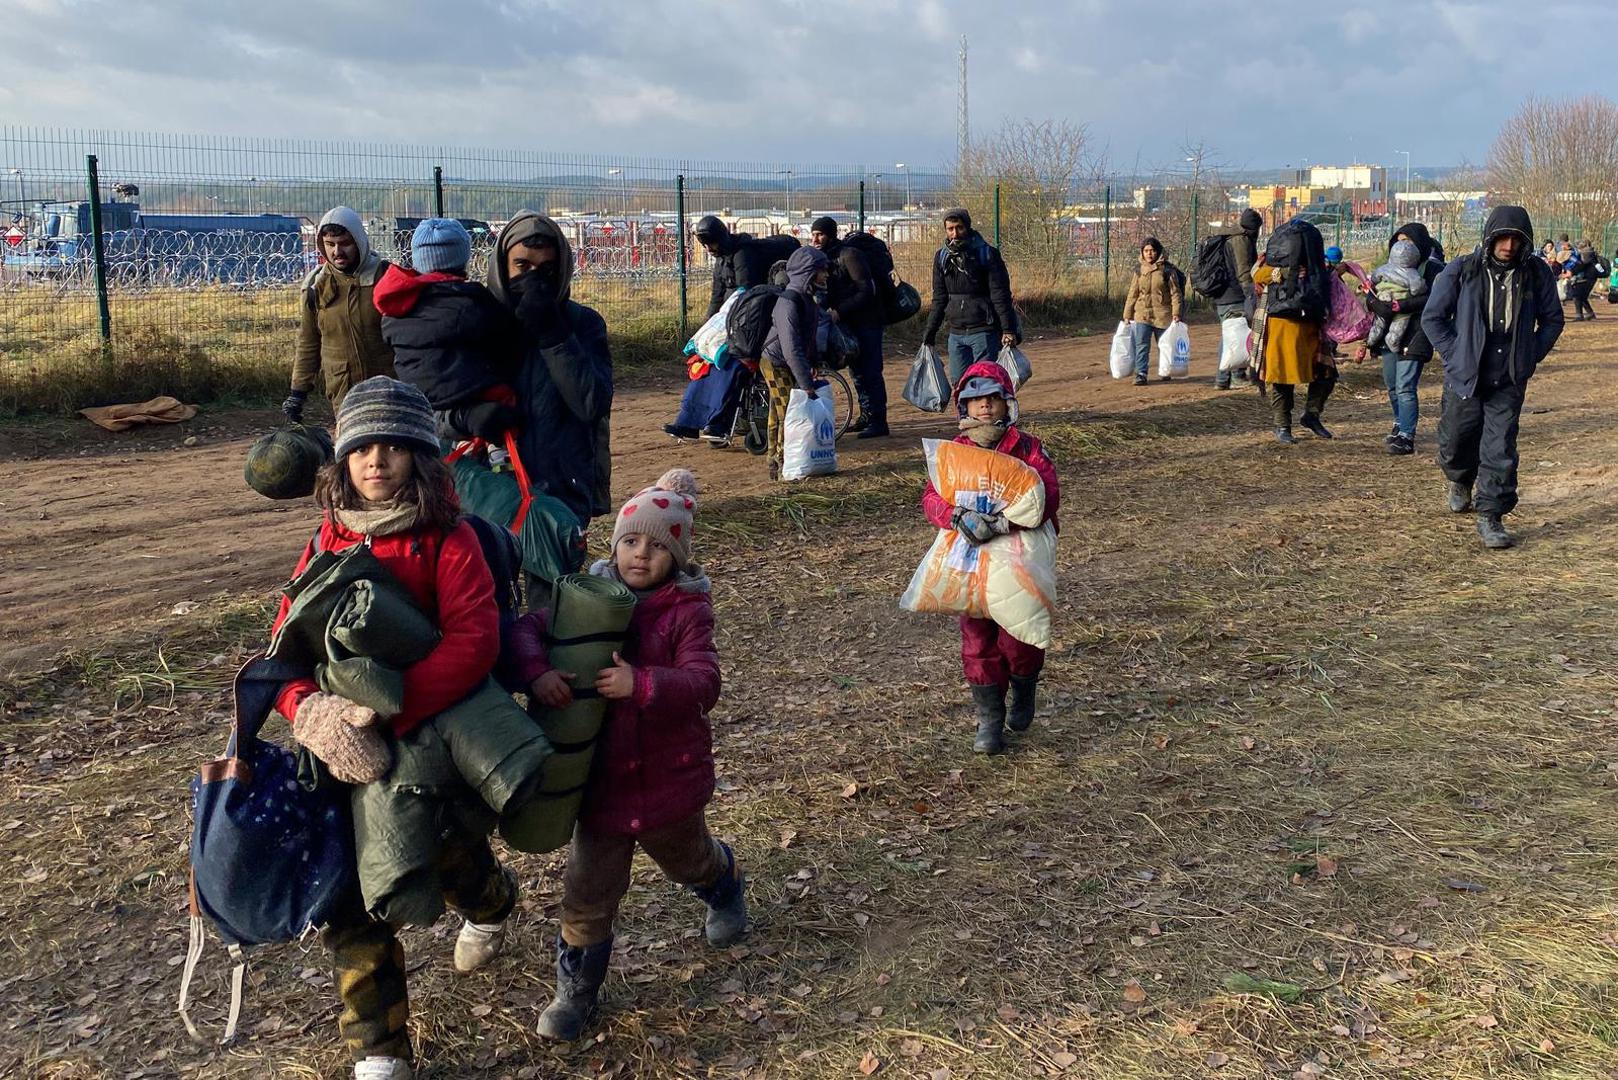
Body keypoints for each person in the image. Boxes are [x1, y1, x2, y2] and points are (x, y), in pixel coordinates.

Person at [275, 377, 523, 1080]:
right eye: (361, 449)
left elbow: (474, 642)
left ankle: (492, 901)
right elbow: (285, 641)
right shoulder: (326, 539)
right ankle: (379, 1051)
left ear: (421, 457)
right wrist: (310, 712)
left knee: (446, 860)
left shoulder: (448, 539)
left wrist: (393, 713)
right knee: (351, 891)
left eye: (393, 447)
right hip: (339, 747)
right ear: (342, 462)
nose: (376, 461)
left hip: (424, 741)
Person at [511, 467, 744, 1041]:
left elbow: (703, 682)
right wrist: (538, 674)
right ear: (613, 545)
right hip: (600, 784)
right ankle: (576, 993)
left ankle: (723, 881)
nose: (641, 555)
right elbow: (524, 631)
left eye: (657, 546)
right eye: (630, 541)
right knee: (588, 891)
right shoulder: (580, 599)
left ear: (679, 556)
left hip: (668, 779)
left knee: (687, 860)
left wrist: (642, 685)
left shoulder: (687, 611)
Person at [921, 362, 1059, 754]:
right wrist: (954, 516)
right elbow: (932, 496)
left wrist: (1004, 524)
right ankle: (990, 719)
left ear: (1006, 403)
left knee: (1019, 634)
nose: (984, 407)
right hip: (970, 556)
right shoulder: (953, 453)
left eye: (992, 399)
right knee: (977, 638)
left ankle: (1024, 686)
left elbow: (1047, 497)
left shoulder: (1028, 449)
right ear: (963, 406)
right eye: (976, 399)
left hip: (1018, 556)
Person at [1422, 205, 1563, 549]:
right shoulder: (1462, 270)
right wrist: (1456, 355)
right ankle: (1459, 479)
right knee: (1455, 441)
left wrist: (1529, 356)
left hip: (1510, 375)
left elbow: (1552, 320)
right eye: (1503, 237)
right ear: (1490, 237)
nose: (1509, 246)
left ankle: (1491, 516)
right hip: (1466, 374)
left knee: (1499, 448)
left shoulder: (1536, 273)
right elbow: (1433, 318)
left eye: (1516, 239)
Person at [483, 211, 614, 537]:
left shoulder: (583, 325)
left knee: (556, 587)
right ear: (503, 266)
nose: (533, 278)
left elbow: (592, 403)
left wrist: (553, 335)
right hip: (490, 489)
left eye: (546, 269)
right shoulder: (479, 323)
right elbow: (443, 406)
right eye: (522, 267)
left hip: (562, 487)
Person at [375, 219, 518, 468]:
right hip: (467, 396)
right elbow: (504, 337)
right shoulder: (472, 302)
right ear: (463, 258)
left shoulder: (396, 308)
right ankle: (500, 451)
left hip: (418, 399)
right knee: (505, 395)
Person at [664, 217, 799, 441]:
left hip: (750, 326)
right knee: (704, 364)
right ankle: (688, 422)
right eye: (704, 245)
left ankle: (719, 424)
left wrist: (729, 330)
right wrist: (706, 330)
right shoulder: (721, 259)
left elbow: (748, 297)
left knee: (731, 366)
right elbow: (717, 297)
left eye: (711, 244)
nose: (709, 249)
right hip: (728, 326)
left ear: (721, 238)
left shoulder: (743, 255)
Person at [284, 207, 395, 422]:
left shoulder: (386, 279)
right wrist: (298, 392)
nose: (337, 252)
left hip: (389, 390)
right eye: (330, 244)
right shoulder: (316, 287)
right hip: (344, 393)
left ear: (359, 242)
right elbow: (309, 342)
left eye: (345, 244)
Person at [1361, 223, 1443, 457]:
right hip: (1388, 334)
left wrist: (1401, 305)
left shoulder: (1433, 270)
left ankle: (1407, 434)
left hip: (1416, 333)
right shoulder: (1386, 269)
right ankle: (1399, 422)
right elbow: (1371, 295)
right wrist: (1379, 306)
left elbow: (1434, 299)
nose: (1403, 246)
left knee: (1406, 386)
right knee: (1392, 384)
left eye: (1408, 241)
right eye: (1399, 241)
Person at [1251, 222, 1335, 444]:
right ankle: (1282, 425)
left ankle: (1311, 415)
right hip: (1281, 325)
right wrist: (1286, 273)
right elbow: (1258, 276)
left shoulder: (1318, 268)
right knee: (1281, 377)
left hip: (1311, 326)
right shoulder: (1269, 265)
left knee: (1326, 374)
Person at [922, 208, 1021, 386]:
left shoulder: (987, 254)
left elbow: (1000, 294)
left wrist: (1008, 329)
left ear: (967, 227)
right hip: (956, 333)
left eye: (959, 227)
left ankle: (988, 415)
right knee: (960, 385)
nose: (955, 234)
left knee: (985, 383)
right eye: (950, 229)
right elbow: (939, 298)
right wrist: (929, 333)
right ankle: (965, 416)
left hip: (984, 331)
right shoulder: (942, 258)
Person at [810, 216, 888, 438]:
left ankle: (879, 421)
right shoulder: (826, 257)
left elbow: (866, 290)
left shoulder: (850, 255)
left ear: (831, 234)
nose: (816, 238)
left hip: (868, 321)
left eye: (820, 234)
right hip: (848, 323)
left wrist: (839, 311)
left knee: (871, 371)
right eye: (813, 234)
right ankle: (866, 416)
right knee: (857, 372)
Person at [760, 246, 829, 480]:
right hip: (776, 362)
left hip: (789, 361)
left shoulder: (807, 299)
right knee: (788, 414)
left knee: (778, 411)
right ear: (808, 272)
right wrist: (806, 383)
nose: (826, 275)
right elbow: (791, 348)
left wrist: (815, 361)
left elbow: (807, 337)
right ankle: (783, 465)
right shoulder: (788, 302)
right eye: (822, 270)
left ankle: (777, 464)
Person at [1210, 208, 1263, 390]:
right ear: (1254, 228)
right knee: (1237, 335)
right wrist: (1252, 294)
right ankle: (1235, 377)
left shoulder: (1227, 237)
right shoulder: (1240, 240)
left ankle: (1223, 379)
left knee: (1229, 335)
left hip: (1223, 294)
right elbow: (1243, 272)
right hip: (1233, 295)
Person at [1121, 237, 1184, 386]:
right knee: (1142, 345)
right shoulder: (1138, 270)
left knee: (1164, 345)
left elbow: (1176, 293)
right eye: (1146, 251)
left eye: (1152, 250)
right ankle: (1141, 374)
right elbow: (1133, 293)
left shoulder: (1167, 270)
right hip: (1142, 314)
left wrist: (1176, 313)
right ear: (1142, 253)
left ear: (1158, 251)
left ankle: (1165, 370)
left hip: (1163, 315)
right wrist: (1127, 315)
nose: (1149, 254)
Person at [1566, 240, 1605, 321]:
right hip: (1591, 277)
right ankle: (1590, 314)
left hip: (1587, 277)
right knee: (1583, 297)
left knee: (1577, 295)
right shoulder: (1591, 252)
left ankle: (1579, 315)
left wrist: (1572, 271)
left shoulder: (1586, 253)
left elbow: (1582, 265)